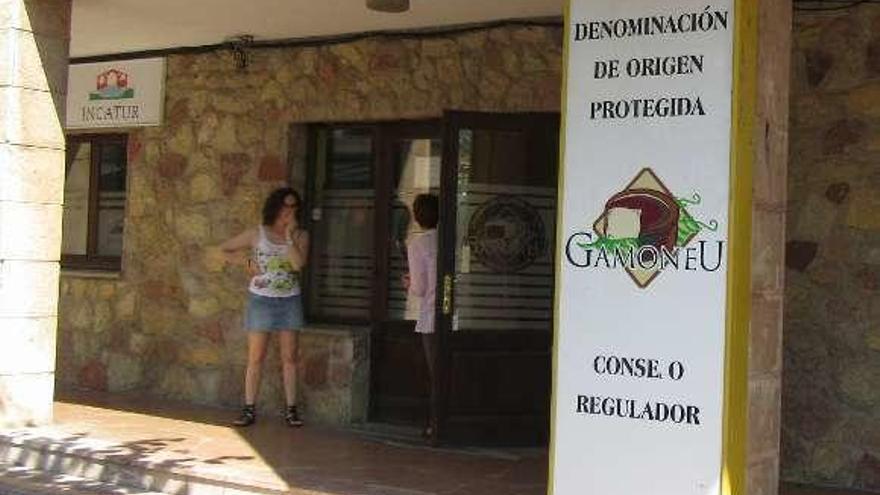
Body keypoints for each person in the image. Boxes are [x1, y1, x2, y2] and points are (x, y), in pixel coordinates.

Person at [218, 187, 309, 427]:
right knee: (255, 356)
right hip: (261, 300)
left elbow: (298, 264)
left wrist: (289, 237)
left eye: (294, 206)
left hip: (289, 300)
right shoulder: (258, 233)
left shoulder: (300, 236)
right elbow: (224, 249)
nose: (290, 211)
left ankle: (291, 409)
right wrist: (246, 261)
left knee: (289, 357)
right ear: (276, 206)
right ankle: (249, 408)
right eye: (286, 205)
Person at [402, 193, 438, 437]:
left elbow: (419, 288)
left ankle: (434, 424)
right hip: (452, 316)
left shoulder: (418, 244)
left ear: (416, 217)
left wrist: (407, 282)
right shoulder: (448, 240)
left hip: (431, 315)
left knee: (435, 372)